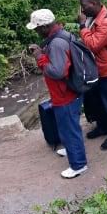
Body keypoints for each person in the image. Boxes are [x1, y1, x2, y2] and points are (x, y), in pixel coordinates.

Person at [27, 9, 88, 179]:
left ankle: (78, 165)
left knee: (69, 129)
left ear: (45, 27)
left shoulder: (56, 44)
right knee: (69, 126)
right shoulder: (62, 34)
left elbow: (58, 71)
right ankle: (72, 150)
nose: (36, 32)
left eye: (37, 28)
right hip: (71, 91)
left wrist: (40, 56)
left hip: (65, 94)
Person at [78, 0, 107, 150]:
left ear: (94, 4)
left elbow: (94, 44)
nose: (82, 11)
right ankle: (103, 127)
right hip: (96, 68)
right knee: (97, 101)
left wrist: (82, 27)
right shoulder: (94, 18)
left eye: (84, 6)